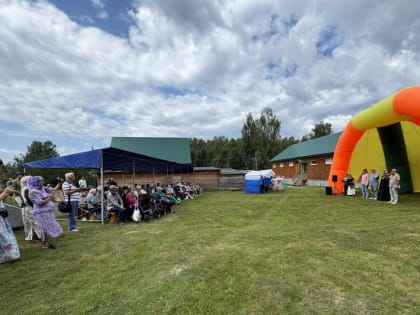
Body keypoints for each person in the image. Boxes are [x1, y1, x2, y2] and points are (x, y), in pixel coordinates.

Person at [28, 176, 63, 249]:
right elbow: (39, 202)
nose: (43, 182)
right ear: (36, 182)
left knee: (49, 226)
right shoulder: (33, 191)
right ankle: (44, 244)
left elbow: (54, 189)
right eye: (41, 181)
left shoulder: (42, 188)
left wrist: (59, 182)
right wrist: (49, 198)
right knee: (44, 228)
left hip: (48, 211)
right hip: (41, 212)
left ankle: (46, 243)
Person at [0, 186, 21, 263]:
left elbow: (2, 201)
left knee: (6, 235)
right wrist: (5, 192)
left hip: (2, 217)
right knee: (3, 237)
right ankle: (8, 255)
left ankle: (9, 255)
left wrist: (5, 193)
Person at [20, 175, 41, 241]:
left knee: (30, 222)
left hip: (27, 208)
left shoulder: (24, 188)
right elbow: (28, 199)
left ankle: (34, 236)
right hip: (30, 208)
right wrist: (34, 205)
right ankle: (39, 236)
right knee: (34, 222)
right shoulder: (26, 189)